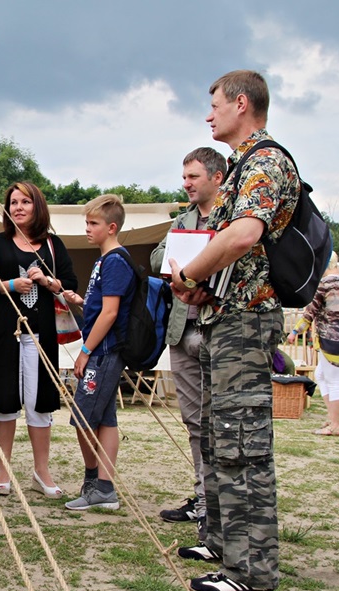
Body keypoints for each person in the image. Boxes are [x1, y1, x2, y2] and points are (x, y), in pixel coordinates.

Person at [168, 70, 299, 591]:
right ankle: (223, 543)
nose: (209, 115)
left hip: (246, 321)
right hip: (227, 316)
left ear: (241, 104)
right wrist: (205, 289)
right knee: (221, 437)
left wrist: (190, 275)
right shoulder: (245, 164)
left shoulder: (265, 162)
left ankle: (251, 569)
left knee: (243, 442)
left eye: (215, 105)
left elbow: (244, 235)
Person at [0, 182, 78, 498]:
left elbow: (70, 284)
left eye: (25, 202)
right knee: (5, 401)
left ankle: (40, 472)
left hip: (41, 333)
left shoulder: (53, 244)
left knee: (40, 402)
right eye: (13, 202)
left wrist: (47, 281)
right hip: (6, 330)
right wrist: (9, 284)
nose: (18, 207)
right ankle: (3, 471)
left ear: (37, 206)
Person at [149, 147, 225, 532]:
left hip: (219, 329)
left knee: (221, 422)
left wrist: (197, 261)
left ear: (217, 177)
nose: (187, 184)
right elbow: (157, 258)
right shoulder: (182, 220)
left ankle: (221, 502)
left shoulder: (234, 217)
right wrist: (187, 260)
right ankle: (202, 498)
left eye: (193, 176)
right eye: (184, 177)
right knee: (194, 421)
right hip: (182, 331)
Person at [61, 195, 135, 512]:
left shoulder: (115, 260)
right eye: (87, 223)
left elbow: (110, 313)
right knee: (105, 418)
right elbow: (101, 307)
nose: (88, 229)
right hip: (103, 349)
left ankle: (95, 482)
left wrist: (85, 351)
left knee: (82, 417)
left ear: (112, 227)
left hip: (104, 352)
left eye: (93, 223)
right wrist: (80, 301)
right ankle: (103, 487)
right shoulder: (104, 260)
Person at [286, 252, 339, 436]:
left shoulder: (324, 284)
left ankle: (335, 424)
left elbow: (310, 312)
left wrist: (295, 332)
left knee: (333, 380)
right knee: (321, 374)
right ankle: (332, 418)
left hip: (330, 338)